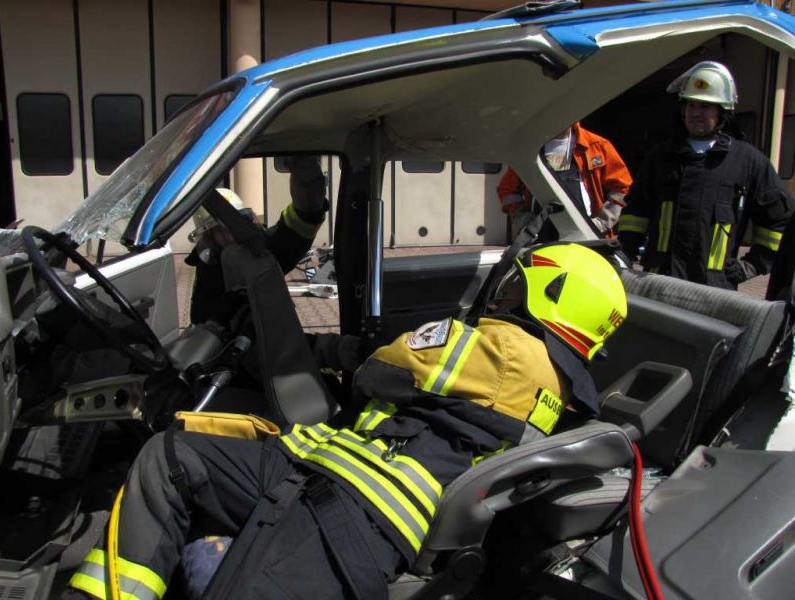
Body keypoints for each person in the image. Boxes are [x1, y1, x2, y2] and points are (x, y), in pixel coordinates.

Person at [63, 242, 627, 600]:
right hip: (338, 474)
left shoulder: (506, 348)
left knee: (170, 460)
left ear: (549, 294)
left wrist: (336, 352)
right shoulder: (567, 396)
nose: (503, 294)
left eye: (516, 284)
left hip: (358, 509)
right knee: (176, 456)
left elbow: (382, 372)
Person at [618, 61, 795, 290]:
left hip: (715, 291)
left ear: (722, 112)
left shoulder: (748, 162)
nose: (695, 113)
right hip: (659, 282)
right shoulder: (661, 157)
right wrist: (625, 253)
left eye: (705, 106)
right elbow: (636, 212)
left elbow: (779, 220)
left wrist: (751, 265)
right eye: (690, 105)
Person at [186, 155, 328, 326]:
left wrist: (308, 180)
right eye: (225, 228)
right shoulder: (209, 275)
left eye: (241, 222)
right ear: (208, 236)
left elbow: (301, 222)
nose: (237, 233)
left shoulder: (259, 251)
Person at [497, 122, 633, 236]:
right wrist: (523, 221)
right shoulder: (530, 149)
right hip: (538, 237)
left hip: (586, 238)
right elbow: (507, 190)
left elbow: (621, 187)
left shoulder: (597, 146)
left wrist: (602, 222)